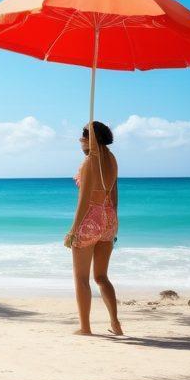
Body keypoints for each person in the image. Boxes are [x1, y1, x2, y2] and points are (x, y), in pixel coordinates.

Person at [64, 121, 122, 336]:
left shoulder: (90, 162)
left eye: (83, 135)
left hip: (90, 219)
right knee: (101, 276)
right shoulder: (112, 160)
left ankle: (85, 327)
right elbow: (114, 197)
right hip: (109, 218)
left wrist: (73, 230)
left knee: (81, 277)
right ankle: (115, 323)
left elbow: (85, 200)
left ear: (91, 139)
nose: (80, 140)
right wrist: (113, 225)